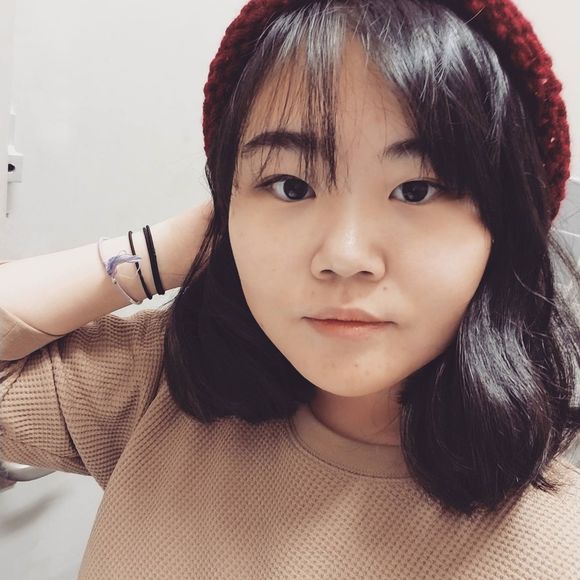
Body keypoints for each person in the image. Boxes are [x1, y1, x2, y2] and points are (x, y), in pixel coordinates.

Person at [1, 0, 579, 578]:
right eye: (291, 186)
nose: (344, 257)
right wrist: (166, 252)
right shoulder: (160, 383)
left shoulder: (554, 551)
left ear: (504, 222)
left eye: (417, 190)